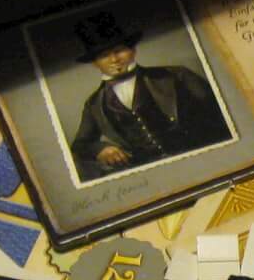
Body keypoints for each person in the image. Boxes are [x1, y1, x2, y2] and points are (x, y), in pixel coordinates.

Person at [68, 18, 231, 179]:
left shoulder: (176, 75)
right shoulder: (94, 104)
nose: (114, 59)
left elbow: (223, 110)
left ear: (133, 50)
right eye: (104, 55)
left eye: (119, 50)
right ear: (95, 63)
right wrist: (100, 149)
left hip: (204, 159)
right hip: (151, 175)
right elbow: (80, 145)